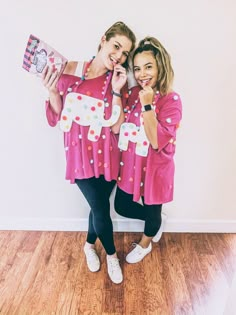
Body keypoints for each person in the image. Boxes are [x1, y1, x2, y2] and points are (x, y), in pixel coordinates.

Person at [42, 21, 136, 283]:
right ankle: (112, 256)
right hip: (79, 155)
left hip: (108, 156)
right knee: (100, 208)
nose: (118, 56)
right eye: (116, 46)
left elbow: (117, 126)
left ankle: (88, 245)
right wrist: (52, 91)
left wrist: (117, 90)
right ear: (104, 40)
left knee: (99, 208)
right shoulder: (69, 71)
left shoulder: (117, 80)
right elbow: (55, 118)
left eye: (125, 53)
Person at [114, 36, 182, 263]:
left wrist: (148, 105)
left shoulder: (172, 100)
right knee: (121, 205)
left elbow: (156, 140)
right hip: (132, 166)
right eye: (137, 69)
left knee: (152, 213)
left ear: (160, 65)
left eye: (148, 67)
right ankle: (156, 222)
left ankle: (146, 243)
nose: (142, 74)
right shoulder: (133, 94)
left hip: (155, 170)